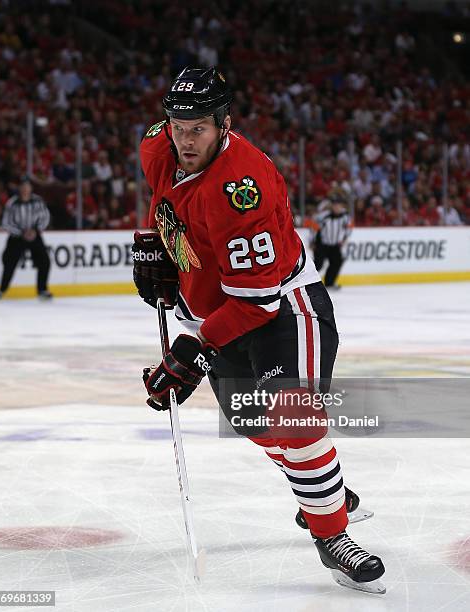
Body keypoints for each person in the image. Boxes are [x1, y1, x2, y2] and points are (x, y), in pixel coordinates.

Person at [132, 67, 385, 592]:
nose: (184, 138)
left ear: (224, 124)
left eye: (197, 127)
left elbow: (257, 302)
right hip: (216, 310)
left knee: (294, 418)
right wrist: (151, 243)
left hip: (283, 310)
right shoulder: (157, 147)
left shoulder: (239, 188)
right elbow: (165, 201)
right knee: (254, 425)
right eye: (177, 124)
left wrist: (193, 349)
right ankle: (327, 493)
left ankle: (332, 534)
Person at [0, 177, 53, 300]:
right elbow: (6, 222)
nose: (25, 189)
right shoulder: (12, 203)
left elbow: (45, 217)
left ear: (31, 188)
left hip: (34, 235)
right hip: (17, 238)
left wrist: (35, 231)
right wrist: (21, 233)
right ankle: (2, 289)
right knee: (9, 263)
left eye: (27, 186)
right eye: (23, 186)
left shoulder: (38, 201)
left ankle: (42, 289)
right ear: (19, 188)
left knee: (44, 262)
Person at [313, 193, 353, 289]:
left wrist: (344, 239)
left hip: (335, 245)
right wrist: (313, 242)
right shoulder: (323, 216)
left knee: (337, 262)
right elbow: (314, 228)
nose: (336, 207)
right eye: (334, 205)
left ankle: (329, 283)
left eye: (338, 205)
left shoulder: (346, 217)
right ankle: (309, 284)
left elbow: (349, 228)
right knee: (317, 265)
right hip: (322, 244)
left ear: (342, 206)